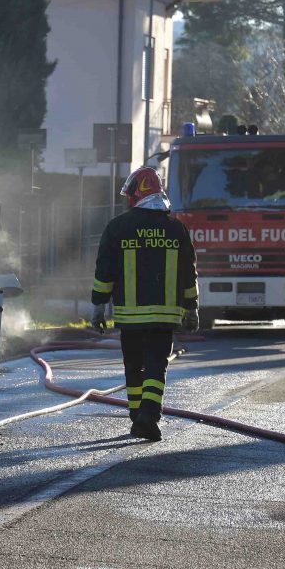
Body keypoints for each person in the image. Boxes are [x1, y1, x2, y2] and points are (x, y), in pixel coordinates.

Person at [90, 166, 199, 441]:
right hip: (164, 315)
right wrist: (192, 307)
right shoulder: (176, 229)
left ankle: (138, 415)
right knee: (155, 368)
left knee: (133, 366)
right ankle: (148, 417)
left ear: (135, 194)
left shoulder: (118, 227)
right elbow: (189, 272)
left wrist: (98, 307)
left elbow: (104, 271)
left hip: (130, 317)